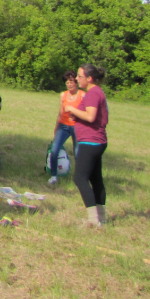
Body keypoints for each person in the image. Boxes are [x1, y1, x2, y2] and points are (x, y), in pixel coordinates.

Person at [64, 64, 109, 227]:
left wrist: (72, 109)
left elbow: (90, 117)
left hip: (90, 141)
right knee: (96, 179)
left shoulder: (92, 93)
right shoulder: (97, 92)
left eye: (79, 76)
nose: (76, 79)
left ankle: (93, 221)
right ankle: (101, 218)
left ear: (89, 79)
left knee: (80, 178)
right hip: (97, 141)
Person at [47, 71, 84, 185]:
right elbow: (60, 112)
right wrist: (56, 127)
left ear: (76, 82)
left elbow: (85, 113)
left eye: (71, 81)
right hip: (63, 125)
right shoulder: (63, 95)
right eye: (67, 82)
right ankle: (54, 176)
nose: (69, 84)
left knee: (77, 153)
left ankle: (79, 177)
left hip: (77, 126)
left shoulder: (82, 95)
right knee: (54, 150)